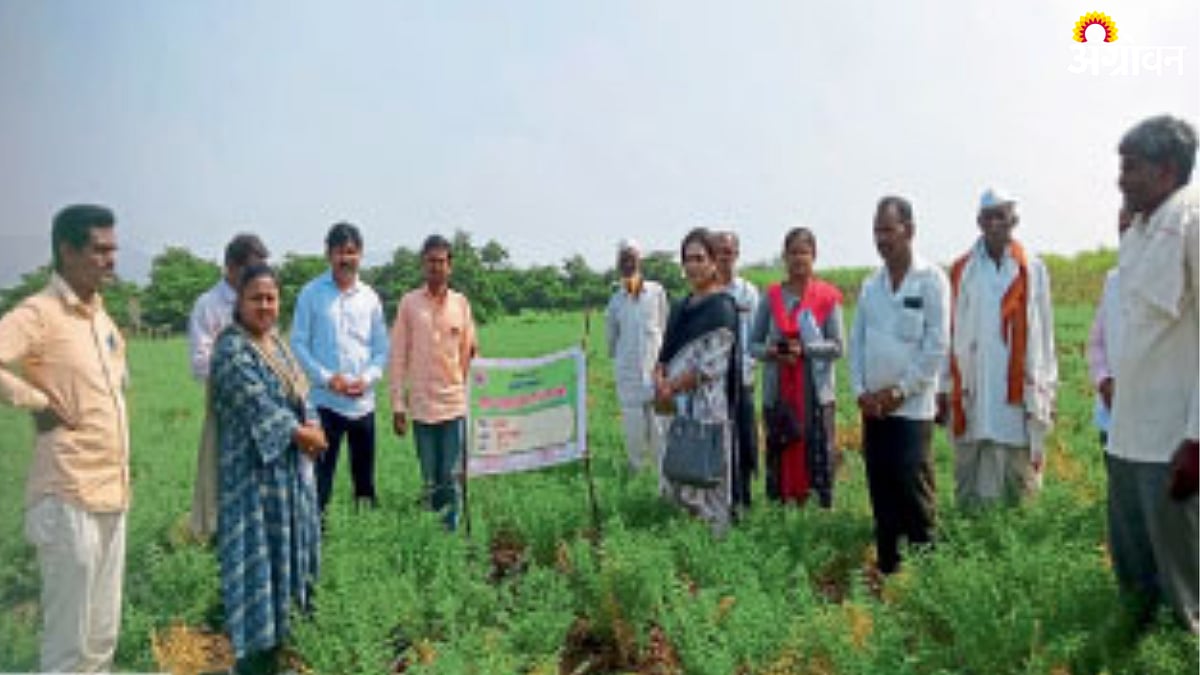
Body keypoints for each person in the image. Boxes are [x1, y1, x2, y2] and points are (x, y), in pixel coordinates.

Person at [0, 205, 127, 672]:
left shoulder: (100, 318)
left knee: (101, 637)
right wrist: (34, 401)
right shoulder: (39, 312)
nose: (111, 259)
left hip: (112, 493)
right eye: (100, 250)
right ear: (66, 250)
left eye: (113, 249)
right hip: (67, 495)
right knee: (67, 645)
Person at [211, 263, 327, 673]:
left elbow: (302, 393)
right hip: (253, 490)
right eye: (255, 298)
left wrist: (312, 424)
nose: (264, 305)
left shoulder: (277, 344)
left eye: (271, 298)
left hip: (290, 483)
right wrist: (303, 434)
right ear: (239, 302)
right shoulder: (231, 350)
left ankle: (284, 653)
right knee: (258, 576)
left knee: (291, 573)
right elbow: (259, 407)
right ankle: (254, 665)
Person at [1108, 114, 1198, 633]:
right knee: (1135, 581)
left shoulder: (1192, 220)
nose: (1122, 179)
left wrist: (1197, 439)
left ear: (1166, 171)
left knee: (1182, 591)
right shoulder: (1140, 228)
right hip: (1127, 437)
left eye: (1132, 168)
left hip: (1172, 442)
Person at [850, 196, 949, 575]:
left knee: (914, 496)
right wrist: (861, 391)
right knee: (882, 497)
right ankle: (889, 572)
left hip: (910, 411)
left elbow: (935, 345)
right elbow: (858, 343)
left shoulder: (931, 280)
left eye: (888, 230)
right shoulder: (871, 286)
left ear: (909, 230)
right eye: (877, 231)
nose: (881, 239)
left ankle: (927, 581)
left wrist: (900, 392)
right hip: (874, 411)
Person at [941, 188, 1058, 508]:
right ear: (979, 222)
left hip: (1018, 393)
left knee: (1018, 481)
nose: (995, 224)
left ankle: (1012, 535)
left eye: (1001, 216)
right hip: (974, 388)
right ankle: (973, 539)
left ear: (1014, 220)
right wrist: (944, 387)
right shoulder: (962, 270)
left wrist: (1049, 388)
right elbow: (949, 331)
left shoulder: (1032, 269)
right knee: (971, 476)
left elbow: (1045, 332)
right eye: (988, 217)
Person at [290, 222, 389, 513]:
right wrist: (326, 378)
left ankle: (365, 536)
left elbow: (381, 350)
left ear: (360, 254)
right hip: (324, 405)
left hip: (362, 405)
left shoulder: (370, 298)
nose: (346, 259)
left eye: (351, 252)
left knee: (365, 483)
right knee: (320, 482)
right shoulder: (311, 293)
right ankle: (316, 540)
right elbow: (298, 343)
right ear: (328, 254)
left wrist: (367, 379)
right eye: (339, 252)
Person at [654, 228, 741, 533]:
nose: (692, 266)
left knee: (707, 478)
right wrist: (660, 380)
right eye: (687, 259)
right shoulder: (680, 307)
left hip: (708, 409)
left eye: (699, 258)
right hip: (675, 407)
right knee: (677, 475)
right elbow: (664, 354)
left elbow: (711, 366)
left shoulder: (723, 307)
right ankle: (683, 546)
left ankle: (716, 547)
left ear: (714, 262)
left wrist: (672, 385)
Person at [750, 227, 845, 508]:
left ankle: (819, 512)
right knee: (781, 450)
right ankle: (781, 509)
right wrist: (774, 352)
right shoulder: (772, 297)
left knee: (818, 454)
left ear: (814, 256)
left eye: (804, 252)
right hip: (778, 393)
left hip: (816, 394)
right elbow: (752, 344)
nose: (798, 258)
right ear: (784, 257)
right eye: (793, 252)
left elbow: (838, 347)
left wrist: (805, 350)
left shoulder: (828, 297)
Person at [389, 235, 478, 530]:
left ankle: (449, 535)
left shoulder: (461, 304)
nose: (436, 267)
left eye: (441, 261)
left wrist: (463, 393)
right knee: (430, 479)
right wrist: (398, 405)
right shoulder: (409, 304)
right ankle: (432, 533)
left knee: (451, 477)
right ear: (422, 265)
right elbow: (399, 355)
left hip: (453, 406)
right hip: (423, 408)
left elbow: (469, 354)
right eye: (431, 261)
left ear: (450, 266)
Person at [186, 233, 269, 540]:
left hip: (263, 409)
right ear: (231, 268)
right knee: (221, 478)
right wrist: (237, 369)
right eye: (251, 268)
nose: (258, 277)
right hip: (225, 406)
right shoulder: (208, 305)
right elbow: (199, 362)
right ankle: (218, 538)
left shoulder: (261, 300)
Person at [605, 239, 669, 472]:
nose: (628, 264)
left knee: (660, 426)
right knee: (633, 428)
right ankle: (637, 471)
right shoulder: (615, 301)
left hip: (656, 372)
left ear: (640, 261)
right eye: (623, 259)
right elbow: (611, 342)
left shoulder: (657, 292)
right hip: (628, 374)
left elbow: (664, 326)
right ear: (618, 265)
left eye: (632, 258)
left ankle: (663, 472)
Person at [714, 230, 760, 509]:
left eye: (729, 252)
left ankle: (743, 500)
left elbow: (756, 339)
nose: (724, 258)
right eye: (719, 252)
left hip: (742, 382)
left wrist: (745, 371)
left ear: (737, 255)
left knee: (743, 443)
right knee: (717, 444)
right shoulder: (707, 292)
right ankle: (719, 501)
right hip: (713, 385)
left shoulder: (748, 293)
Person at [1086, 206, 1132, 449]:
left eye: (1133, 228)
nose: (1127, 236)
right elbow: (1096, 343)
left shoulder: (1173, 279)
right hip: (1112, 416)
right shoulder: (1113, 281)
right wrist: (1104, 382)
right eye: (1122, 229)